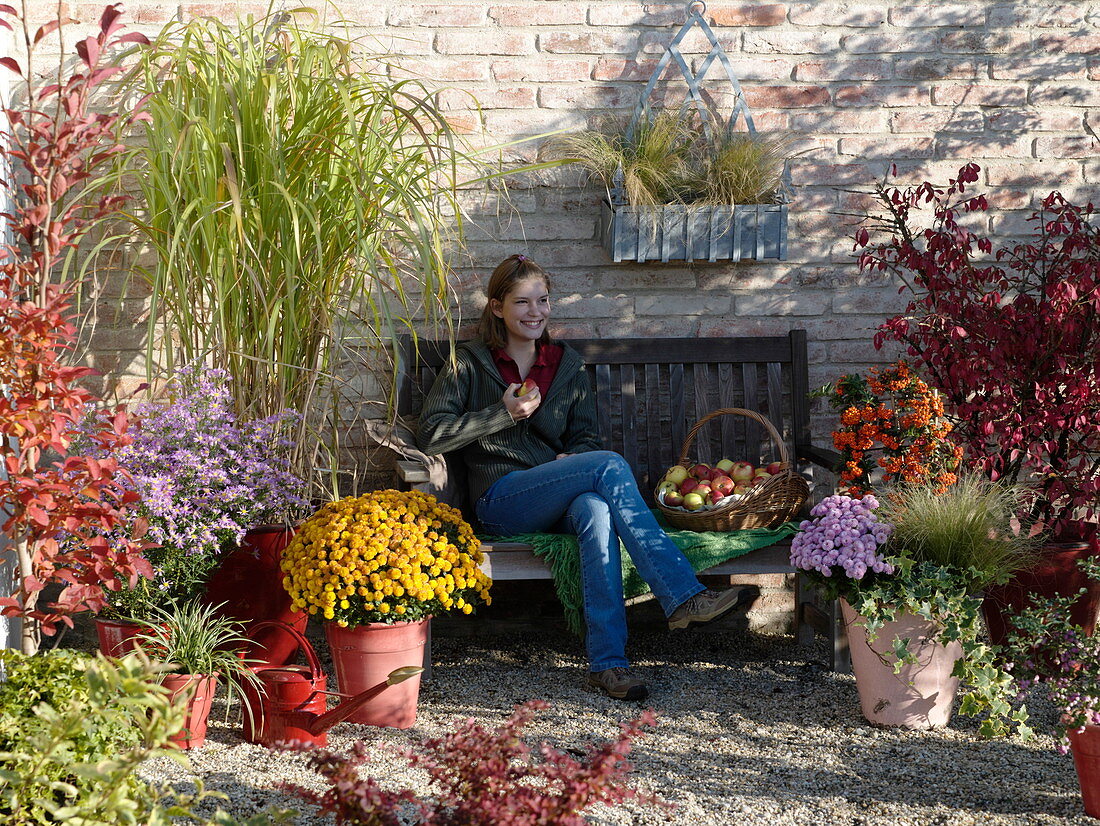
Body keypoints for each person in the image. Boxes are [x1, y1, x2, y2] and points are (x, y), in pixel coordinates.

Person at [416, 254, 756, 701]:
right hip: (502, 501)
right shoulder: (469, 363)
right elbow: (432, 434)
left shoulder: (566, 365)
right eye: (522, 302)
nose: (535, 311)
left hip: (557, 496)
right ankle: (682, 595)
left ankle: (608, 665)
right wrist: (500, 415)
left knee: (595, 509)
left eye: (543, 300)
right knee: (609, 463)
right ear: (497, 308)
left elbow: (585, 438)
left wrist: (570, 458)